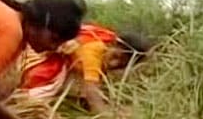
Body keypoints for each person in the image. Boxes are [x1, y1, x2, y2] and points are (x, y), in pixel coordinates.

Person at [20, 24, 154, 114]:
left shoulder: (103, 53)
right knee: (32, 108)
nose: (114, 64)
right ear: (113, 44)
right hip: (36, 65)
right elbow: (92, 91)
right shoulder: (94, 50)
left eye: (121, 64)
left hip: (67, 73)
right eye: (116, 56)